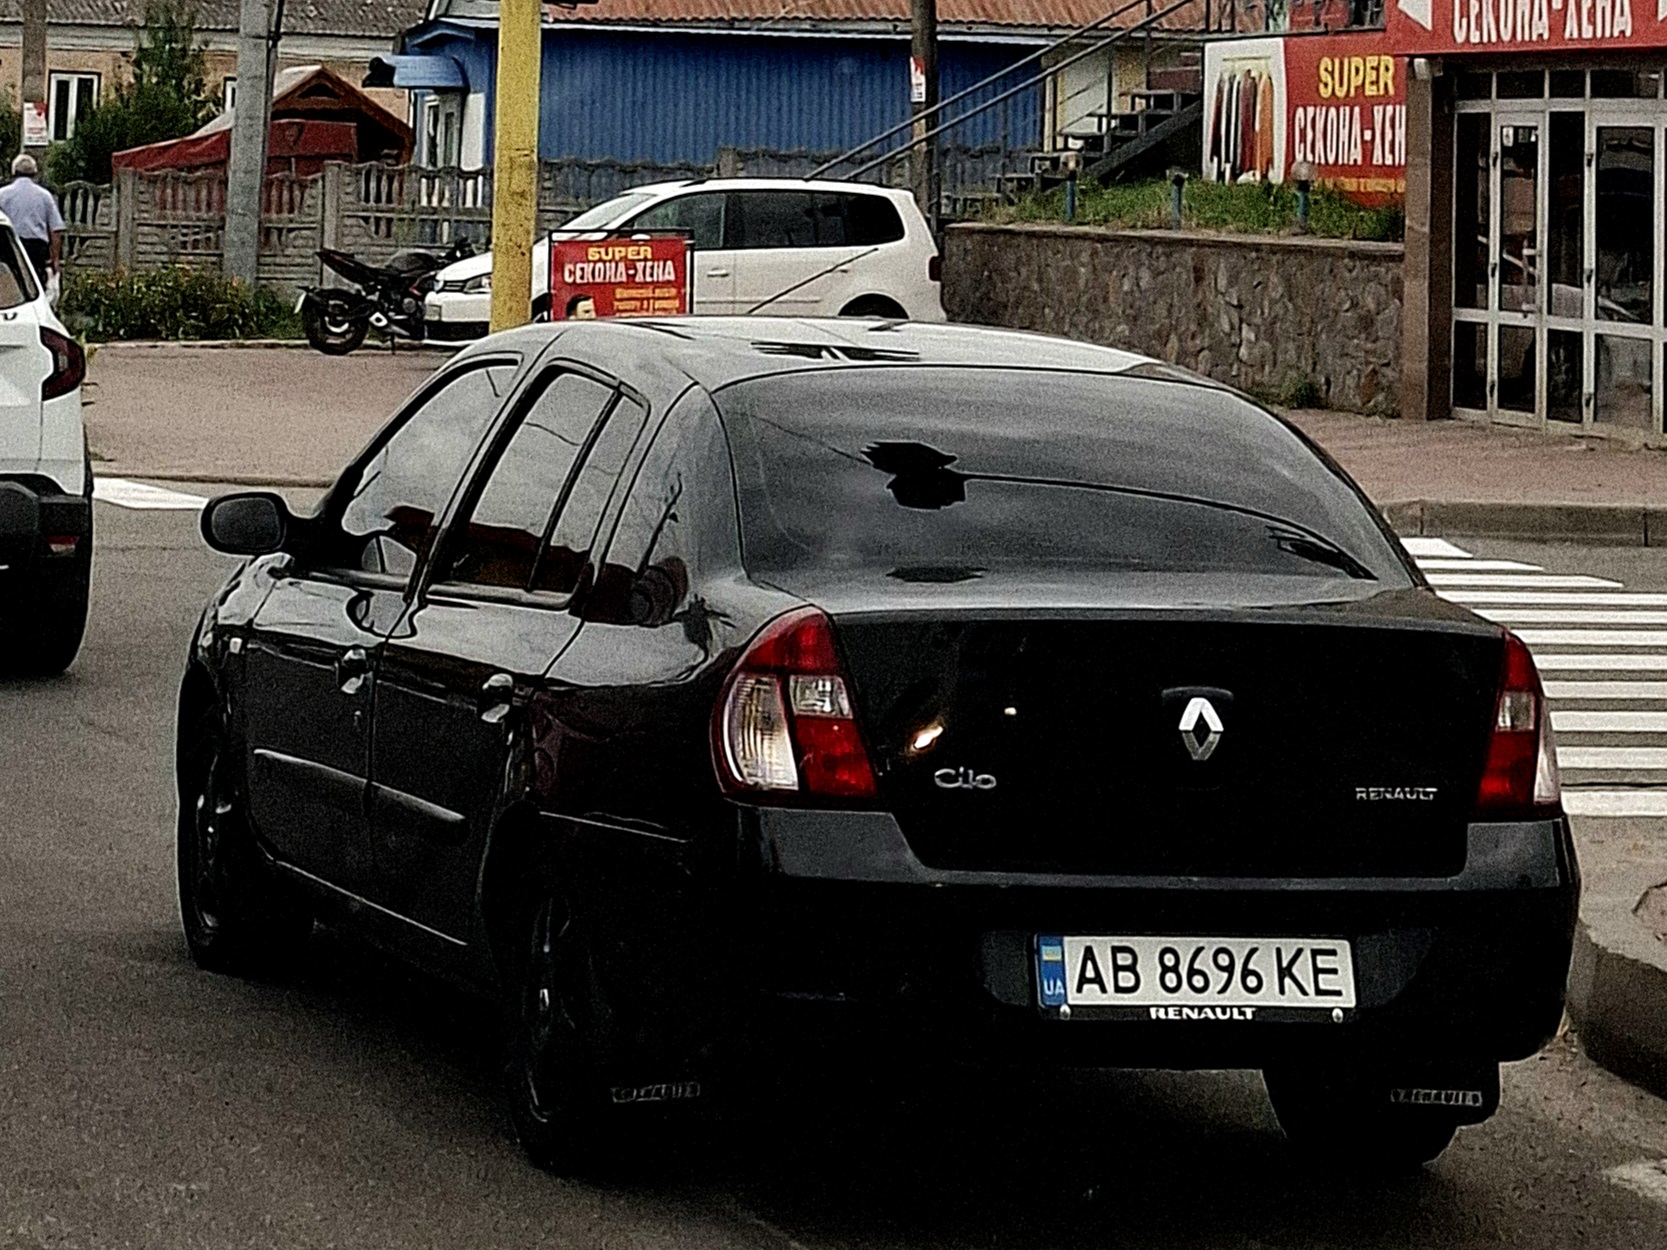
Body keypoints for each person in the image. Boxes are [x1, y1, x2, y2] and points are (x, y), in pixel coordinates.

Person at [0, 154, 64, 283]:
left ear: (14, 172)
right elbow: (55, 230)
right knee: (35, 283)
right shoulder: (45, 196)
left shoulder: (2, 194)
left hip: (8, 246)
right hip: (36, 248)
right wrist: (55, 259)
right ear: (35, 172)